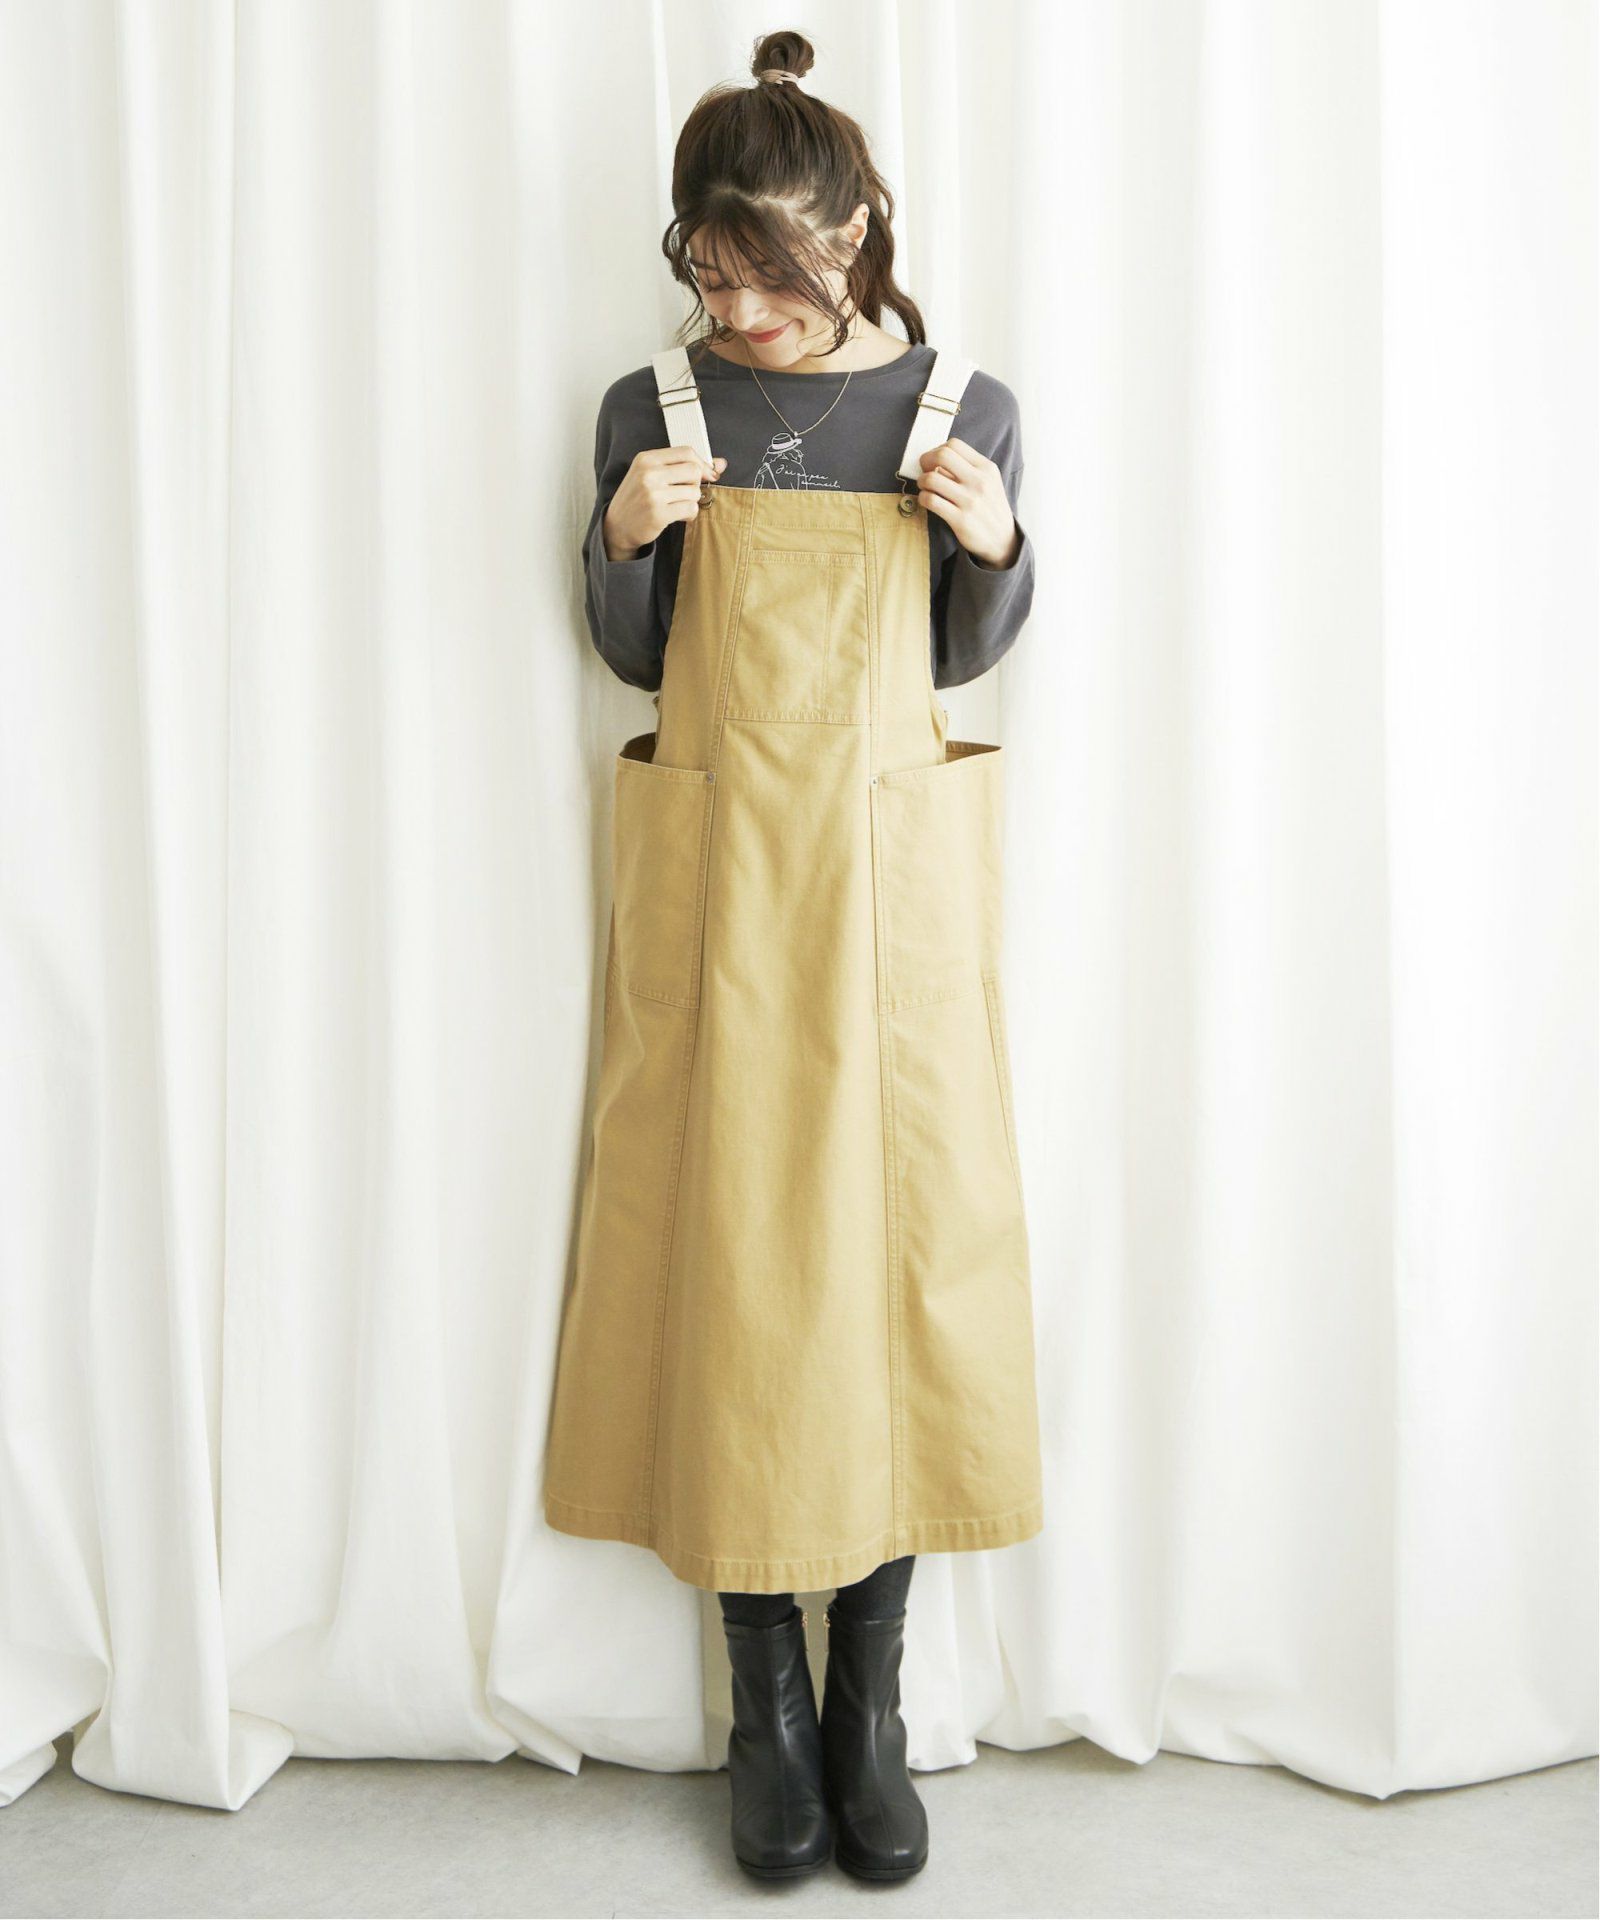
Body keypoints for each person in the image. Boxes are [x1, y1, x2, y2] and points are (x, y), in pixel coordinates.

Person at [543, 27, 1046, 1885]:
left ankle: (871, 1711)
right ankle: (765, 1710)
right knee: (736, 1261)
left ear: (853, 230)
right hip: (724, 892)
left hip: (891, 896)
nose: (740, 307)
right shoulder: (652, 406)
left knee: (904, 1261)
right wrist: (620, 539)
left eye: (770, 266)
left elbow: (961, 651)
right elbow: (633, 650)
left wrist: (996, 541)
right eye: (711, 266)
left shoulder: (954, 405)